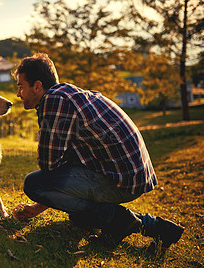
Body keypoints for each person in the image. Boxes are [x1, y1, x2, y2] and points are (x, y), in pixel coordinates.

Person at [12, 53, 184, 250]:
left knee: (33, 184)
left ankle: (127, 222)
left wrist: (39, 199)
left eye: (20, 87)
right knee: (79, 217)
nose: (18, 94)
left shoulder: (54, 100)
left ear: (37, 86)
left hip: (121, 180)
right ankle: (159, 228)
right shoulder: (72, 94)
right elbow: (64, 167)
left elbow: (48, 166)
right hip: (133, 175)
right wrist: (37, 208)